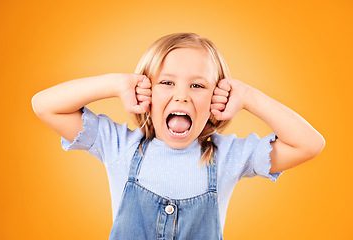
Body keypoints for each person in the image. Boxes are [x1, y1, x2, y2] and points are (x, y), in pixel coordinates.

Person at [32, 33, 325, 239]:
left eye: (197, 86)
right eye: (167, 82)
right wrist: (117, 83)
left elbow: (310, 144)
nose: (182, 96)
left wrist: (248, 96)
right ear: (145, 90)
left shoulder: (228, 157)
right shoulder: (119, 146)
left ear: (217, 98)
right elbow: (45, 106)